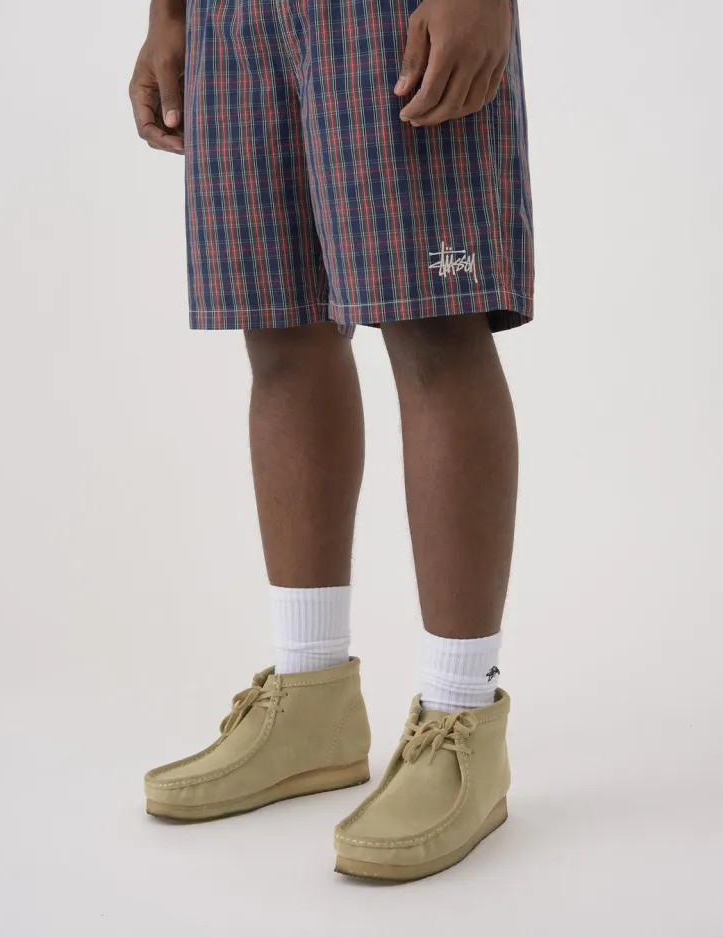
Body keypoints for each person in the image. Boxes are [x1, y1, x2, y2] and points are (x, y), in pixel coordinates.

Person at [130, 0, 533, 882]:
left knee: (434, 324)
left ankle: (461, 718)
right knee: (279, 328)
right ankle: (312, 699)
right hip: (232, 19)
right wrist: (169, 14)